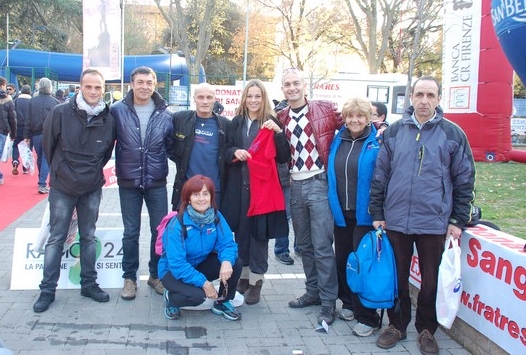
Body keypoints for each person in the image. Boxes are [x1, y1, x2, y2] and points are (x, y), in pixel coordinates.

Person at [369, 76, 475, 355]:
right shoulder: (393, 132)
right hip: (396, 221)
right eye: (419, 95)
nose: (424, 100)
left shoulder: (453, 134)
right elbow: (380, 175)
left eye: (430, 95)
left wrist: (457, 220)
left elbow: (464, 180)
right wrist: (378, 212)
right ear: (411, 98)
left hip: (433, 221)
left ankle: (426, 329)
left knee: (430, 281)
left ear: (439, 99)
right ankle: (397, 325)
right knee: (397, 278)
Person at [33, 68, 116, 313]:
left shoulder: (109, 118)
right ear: (80, 87)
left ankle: (88, 284)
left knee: (88, 237)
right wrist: (60, 172)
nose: (93, 91)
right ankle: (48, 289)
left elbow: (106, 154)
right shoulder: (59, 113)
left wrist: (90, 173)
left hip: (91, 187)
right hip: (62, 187)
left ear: (103, 90)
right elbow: (49, 148)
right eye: (88, 86)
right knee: (56, 238)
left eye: (98, 87)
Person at [276, 68, 343, 325]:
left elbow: (352, 120)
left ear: (305, 85)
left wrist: (380, 128)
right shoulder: (281, 116)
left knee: (322, 246)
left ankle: (328, 302)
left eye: (295, 83)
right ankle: (313, 292)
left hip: (319, 183)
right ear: (282, 89)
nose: (292, 88)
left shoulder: (324, 109)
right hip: (295, 185)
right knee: (304, 246)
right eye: (287, 84)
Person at [222, 79, 290, 305]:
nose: (253, 100)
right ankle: (242, 276)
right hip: (238, 190)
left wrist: (279, 133)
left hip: (262, 189)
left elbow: (283, 157)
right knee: (240, 234)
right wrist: (235, 152)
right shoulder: (236, 122)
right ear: (244, 99)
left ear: (264, 98)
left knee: (258, 237)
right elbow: (225, 151)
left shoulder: (271, 122)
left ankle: (257, 281)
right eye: (249, 96)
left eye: (257, 96)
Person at [110, 66, 175, 300]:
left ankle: (156, 275)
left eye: (149, 82)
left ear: (155, 84)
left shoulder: (166, 114)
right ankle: (129, 278)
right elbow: (107, 143)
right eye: (140, 82)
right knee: (131, 232)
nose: (144, 87)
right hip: (128, 181)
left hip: (156, 181)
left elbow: (172, 147)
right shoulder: (117, 111)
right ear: (132, 84)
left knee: (160, 231)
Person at [327, 97, 381, 336]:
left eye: (359, 116)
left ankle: (368, 317)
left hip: (365, 216)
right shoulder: (339, 138)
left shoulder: (377, 141)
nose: (354, 120)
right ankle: (348, 303)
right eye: (350, 116)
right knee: (343, 261)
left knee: (362, 266)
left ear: (368, 117)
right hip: (342, 213)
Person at [159, 174, 242, 321]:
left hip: (199, 264)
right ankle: (171, 297)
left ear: (211, 197)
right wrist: (204, 283)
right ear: (188, 198)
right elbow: (177, 264)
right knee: (197, 297)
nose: (201, 199)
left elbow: (227, 243)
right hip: (172, 271)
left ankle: (222, 302)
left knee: (236, 262)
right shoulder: (177, 224)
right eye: (196, 194)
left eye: (205, 194)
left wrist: (227, 261)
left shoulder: (216, 217)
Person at [170, 83, 229, 210]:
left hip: (215, 190)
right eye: (200, 97)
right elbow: (169, 146)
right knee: (185, 229)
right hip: (187, 189)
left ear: (215, 99)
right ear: (194, 99)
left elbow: (230, 152)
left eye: (209, 97)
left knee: (212, 228)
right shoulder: (180, 120)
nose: (205, 101)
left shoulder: (225, 125)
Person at [25, 77, 60, 194]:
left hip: (35, 134)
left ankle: (41, 179)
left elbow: (28, 119)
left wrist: (26, 136)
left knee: (40, 157)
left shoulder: (32, 101)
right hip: (49, 134)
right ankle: (42, 182)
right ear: (50, 87)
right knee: (46, 158)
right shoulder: (55, 102)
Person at [12, 85, 32, 175]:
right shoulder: (32, 102)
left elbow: (12, 115)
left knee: (15, 145)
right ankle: (25, 167)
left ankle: (15, 160)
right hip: (28, 128)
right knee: (27, 147)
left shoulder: (15, 101)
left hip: (17, 126)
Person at [0, 77, 17, 185]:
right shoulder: (7, 99)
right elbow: (12, 118)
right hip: (2, 130)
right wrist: (13, 132)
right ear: (2, 85)